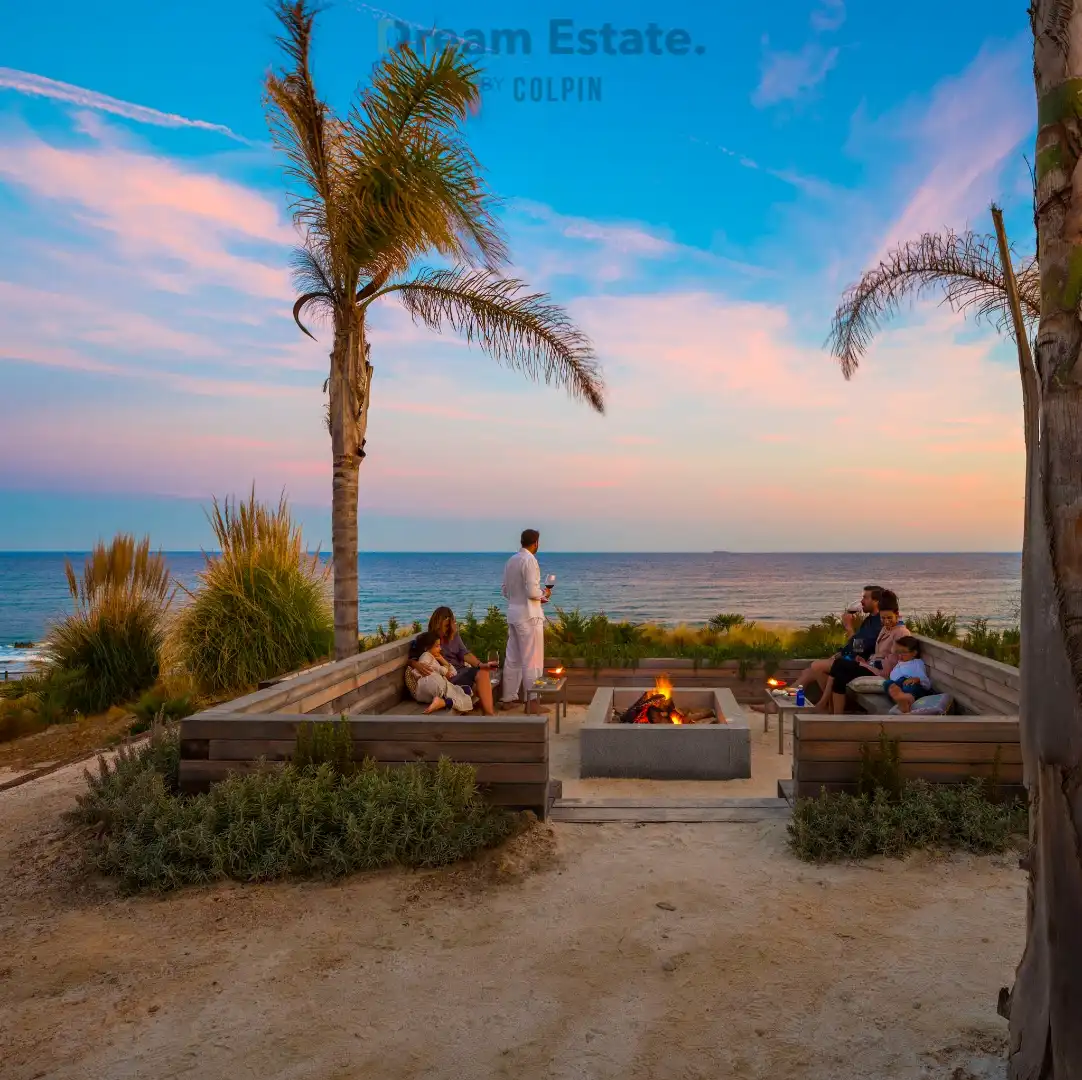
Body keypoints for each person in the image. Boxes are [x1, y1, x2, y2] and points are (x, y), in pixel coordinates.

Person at [819, 590, 909, 714]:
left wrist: (867, 664)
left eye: (889, 618)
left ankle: (826, 707)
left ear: (897, 614)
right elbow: (874, 652)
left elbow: (891, 664)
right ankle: (835, 715)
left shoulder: (900, 633)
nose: (886, 621)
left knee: (838, 666)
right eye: (883, 618)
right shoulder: (882, 627)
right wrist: (864, 661)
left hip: (882, 672)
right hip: (872, 665)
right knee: (839, 671)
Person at [793, 585, 884, 707]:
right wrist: (840, 653)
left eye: (865, 598)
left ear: (876, 601)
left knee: (817, 666)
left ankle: (829, 706)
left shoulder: (878, 623)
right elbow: (856, 643)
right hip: (850, 658)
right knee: (807, 672)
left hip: (861, 663)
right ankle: (783, 700)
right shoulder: (870, 620)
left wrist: (848, 627)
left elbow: (859, 648)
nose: (861, 601)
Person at [499, 528, 551, 713]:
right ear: (535, 542)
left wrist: (519, 598)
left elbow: (505, 590)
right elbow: (531, 592)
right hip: (529, 617)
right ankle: (533, 703)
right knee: (533, 661)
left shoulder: (511, 561)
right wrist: (544, 594)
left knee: (512, 659)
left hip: (513, 615)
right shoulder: (530, 560)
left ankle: (508, 699)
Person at [428, 606, 498, 716]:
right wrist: (415, 664)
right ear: (437, 624)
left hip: (462, 672)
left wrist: (481, 664)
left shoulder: (453, 636)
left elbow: (465, 653)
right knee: (482, 678)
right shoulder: (428, 639)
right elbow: (414, 657)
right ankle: (490, 717)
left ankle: (487, 716)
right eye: (446, 626)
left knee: (482, 680)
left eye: (450, 625)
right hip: (450, 678)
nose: (448, 629)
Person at [407, 632, 474, 714]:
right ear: (426, 648)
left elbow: (453, 672)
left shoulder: (434, 658)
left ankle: (443, 702)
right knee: (461, 695)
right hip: (428, 685)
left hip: (436, 686)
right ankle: (444, 701)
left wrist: (442, 660)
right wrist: (444, 670)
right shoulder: (425, 656)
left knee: (465, 691)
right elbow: (431, 669)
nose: (440, 648)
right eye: (437, 646)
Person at [883, 636, 933, 713]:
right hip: (900, 688)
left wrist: (917, 679)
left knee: (908, 687)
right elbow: (892, 677)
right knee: (887, 683)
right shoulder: (900, 663)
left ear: (914, 653)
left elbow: (927, 683)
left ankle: (906, 700)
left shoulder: (917, 663)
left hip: (914, 689)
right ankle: (901, 700)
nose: (900, 655)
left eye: (904, 652)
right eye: (899, 652)